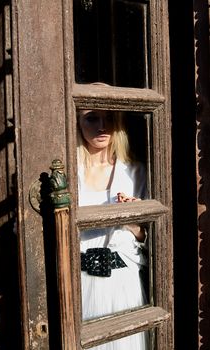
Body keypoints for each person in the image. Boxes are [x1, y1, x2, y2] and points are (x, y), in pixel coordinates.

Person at [77, 106, 149, 350]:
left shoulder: (135, 172)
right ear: (77, 121)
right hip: (79, 282)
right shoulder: (68, 172)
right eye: (92, 118)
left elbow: (146, 234)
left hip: (121, 282)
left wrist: (132, 221)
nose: (102, 126)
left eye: (109, 118)